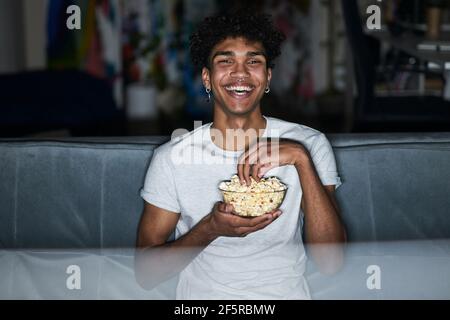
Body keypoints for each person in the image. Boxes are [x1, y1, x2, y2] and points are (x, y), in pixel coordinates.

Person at [135, 11, 346, 300]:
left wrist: (301, 159)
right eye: (225, 61)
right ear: (207, 78)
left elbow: (331, 262)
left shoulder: (309, 143)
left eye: (253, 61)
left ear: (267, 77)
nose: (240, 73)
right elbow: (146, 275)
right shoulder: (173, 157)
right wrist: (210, 229)